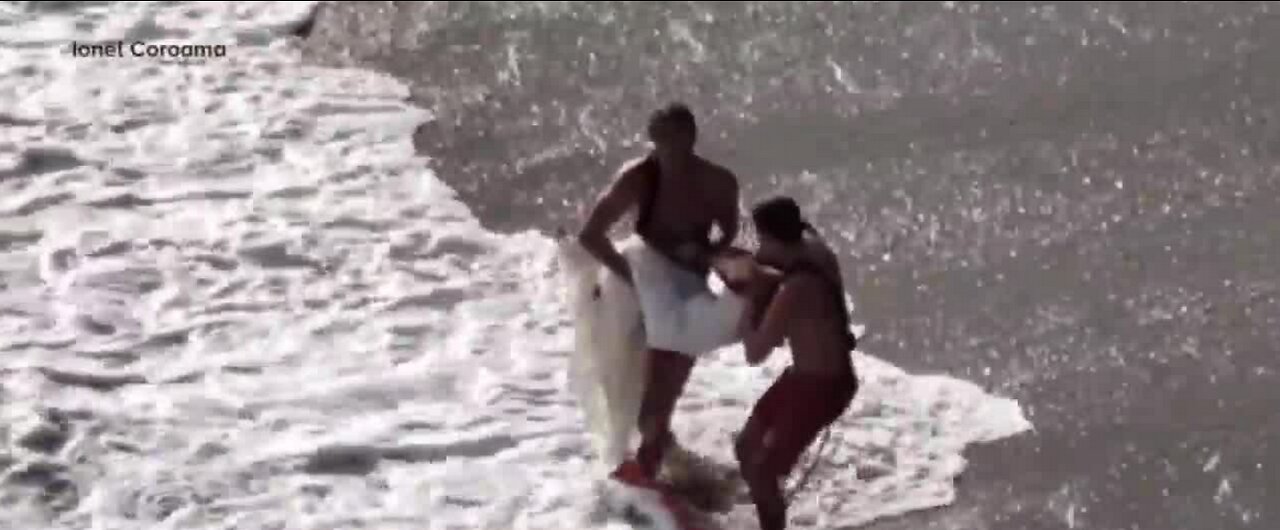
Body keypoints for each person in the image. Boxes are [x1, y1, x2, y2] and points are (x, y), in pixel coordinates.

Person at [576, 102, 742, 480]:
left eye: (674, 142)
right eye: (659, 142)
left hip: (687, 285)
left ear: (691, 138)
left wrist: (706, 251)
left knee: (667, 384)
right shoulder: (638, 176)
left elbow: (730, 231)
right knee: (622, 377)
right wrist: (632, 281)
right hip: (640, 273)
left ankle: (658, 461)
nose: (665, 152)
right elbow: (591, 234)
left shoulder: (719, 182)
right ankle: (633, 464)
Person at [732, 196, 860, 530]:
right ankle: (771, 506)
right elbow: (767, 259)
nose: (759, 248)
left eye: (762, 240)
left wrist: (748, 297)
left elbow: (755, 353)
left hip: (824, 387)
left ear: (775, 239)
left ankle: (772, 524)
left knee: (761, 470)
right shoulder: (815, 248)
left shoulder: (796, 288)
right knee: (746, 445)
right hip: (804, 375)